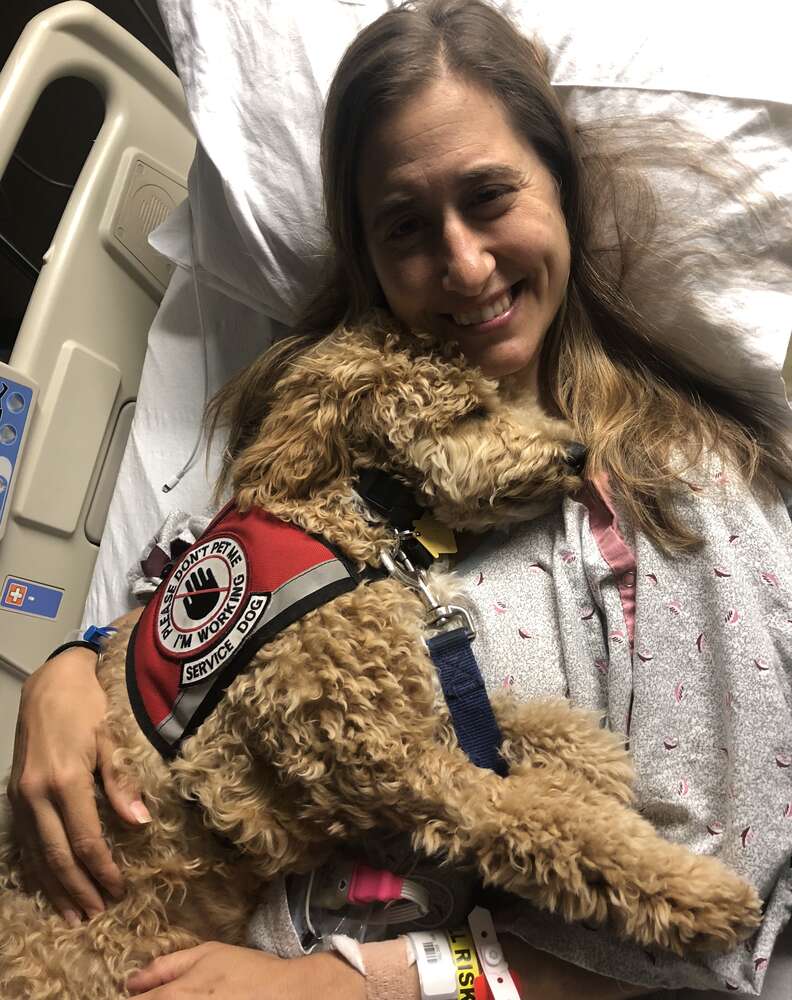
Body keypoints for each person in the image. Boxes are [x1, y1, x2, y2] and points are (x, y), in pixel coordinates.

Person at [7, 1, 792, 997]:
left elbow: (716, 945)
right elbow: (195, 622)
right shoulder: (320, 428)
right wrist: (68, 671)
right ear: (368, 255)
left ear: (563, 188)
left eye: (490, 197)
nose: (465, 265)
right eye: (408, 227)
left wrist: (355, 983)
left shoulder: (680, 496)